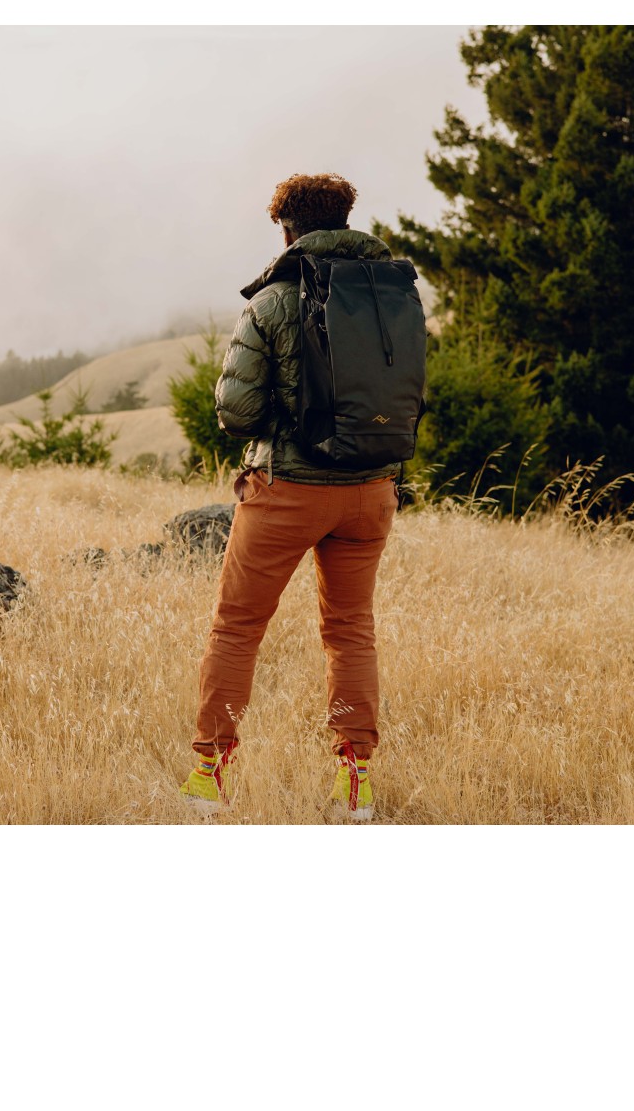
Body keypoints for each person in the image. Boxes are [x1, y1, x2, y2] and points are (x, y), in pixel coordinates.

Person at [179, 173, 402, 820]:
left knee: (237, 628)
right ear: (346, 220)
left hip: (288, 490)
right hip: (371, 488)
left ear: (286, 229)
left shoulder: (274, 300)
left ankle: (209, 778)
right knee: (351, 631)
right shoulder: (392, 294)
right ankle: (354, 784)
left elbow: (237, 412)